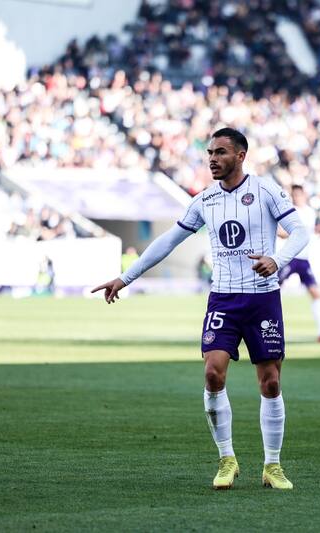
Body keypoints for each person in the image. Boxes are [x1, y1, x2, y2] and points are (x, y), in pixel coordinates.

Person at [91, 128, 308, 490]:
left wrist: (277, 260)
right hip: (223, 298)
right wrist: (125, 278)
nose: (212, 159)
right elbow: (168, 241)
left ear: (240, 156)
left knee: (270, 381)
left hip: (263, 299)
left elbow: (300, 232)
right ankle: (227, 459)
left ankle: (272, 465)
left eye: (220, 152)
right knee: (212, 374)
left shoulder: (266, 191)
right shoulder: (205, 200)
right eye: (209, 153)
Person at [277, 185, 320, 343]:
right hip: (290, 257)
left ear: (304, 195)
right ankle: (258, 328)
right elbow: (282, 232)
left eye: (299, 194)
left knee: (316, 293)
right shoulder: (290, 211)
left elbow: (312, 231)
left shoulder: (310, 212)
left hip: (303, 259)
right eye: (295, 195)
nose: (298, 197)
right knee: (272, 292)